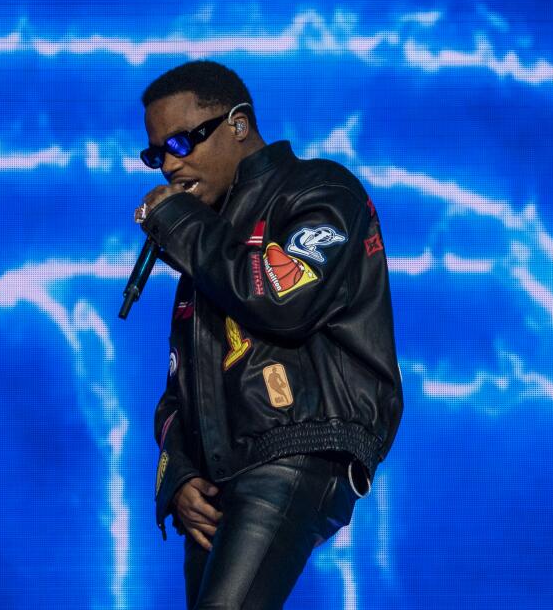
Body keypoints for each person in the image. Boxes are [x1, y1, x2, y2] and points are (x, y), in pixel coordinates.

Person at [134, 60, 403, 609]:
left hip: (296, 448)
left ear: (238, 124)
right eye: (155, 153)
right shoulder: (206, 247)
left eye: (182, 141)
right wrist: (179, 477)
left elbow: (282, 300)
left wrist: (181, 223)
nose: (168, 165)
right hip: (218, 475)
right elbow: (177, 393)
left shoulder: (319, 189)